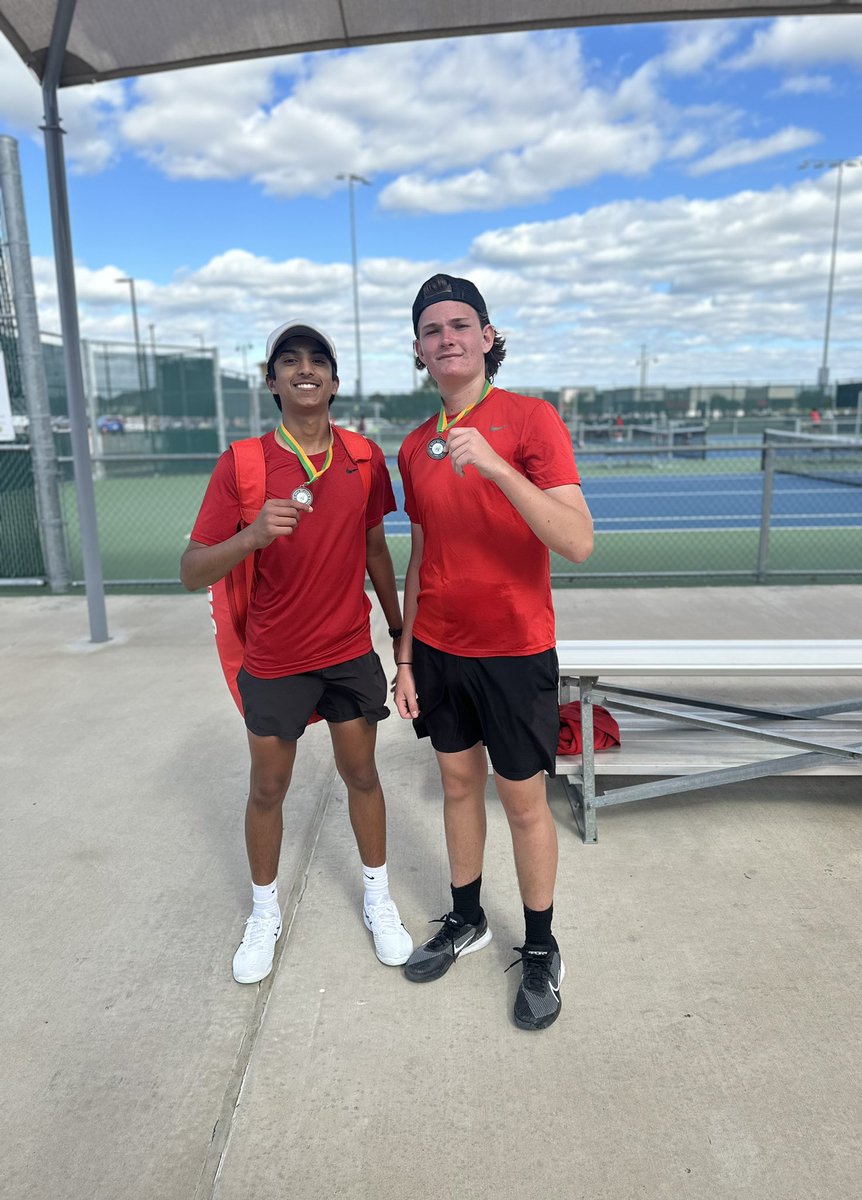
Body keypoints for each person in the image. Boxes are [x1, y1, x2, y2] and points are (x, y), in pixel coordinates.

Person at [180, 320, 412, 984]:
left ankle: (377, 896)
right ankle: (263, 911)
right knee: (268, 787)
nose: (304, 368)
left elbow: (374, 550)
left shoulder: (364, 457)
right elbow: (193, 569)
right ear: (272, 381)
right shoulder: (243, 463)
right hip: (275, 658)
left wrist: (397, 629)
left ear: (334, 381)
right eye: (289, 360)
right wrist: (250, 536)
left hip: (347, 652)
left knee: (362, 775)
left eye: (318, 359)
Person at [394, 275, 594, 1030]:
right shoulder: (415, 446)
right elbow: (418, 556)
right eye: (432, 328)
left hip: (514, 649)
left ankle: (540, 949)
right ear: (418, 349)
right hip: (440, 650)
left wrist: (499, 467)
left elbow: (576, 542)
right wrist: (408, 658)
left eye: (460, 324)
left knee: (522, 802)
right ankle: (467, 917)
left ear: (486, 337)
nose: (447, 337)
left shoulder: (531, 420)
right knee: (454, 787)